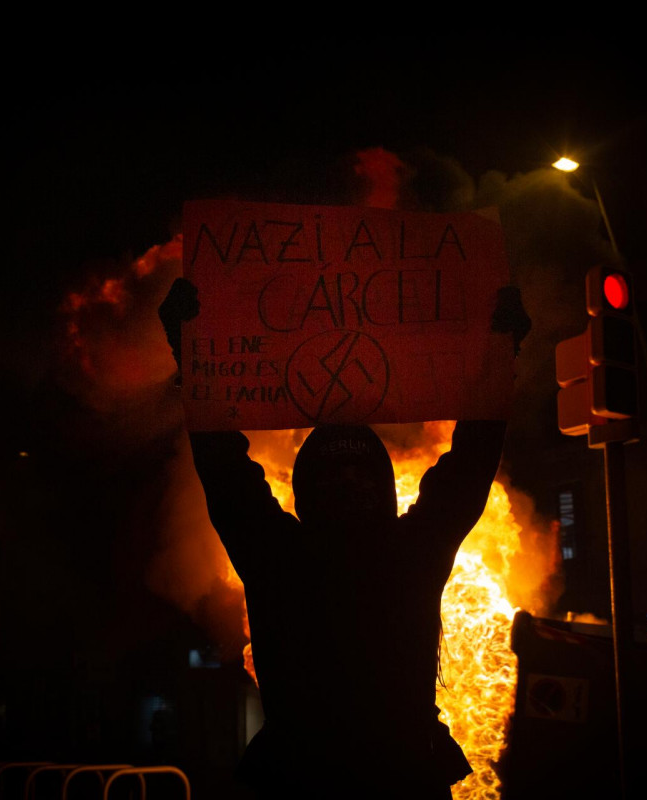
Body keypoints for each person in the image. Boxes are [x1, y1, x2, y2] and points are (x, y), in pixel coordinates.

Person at [160, 278, 529, 799]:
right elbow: (225, 473)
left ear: (384, 487)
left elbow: (469, 467)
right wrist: (195, 357)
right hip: (319, 779)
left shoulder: (411, 552)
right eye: (333, 474)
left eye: (361, 471)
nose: (349, 482)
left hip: (389, 778)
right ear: (308, 492)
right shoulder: (278, 556)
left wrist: (499, 358)